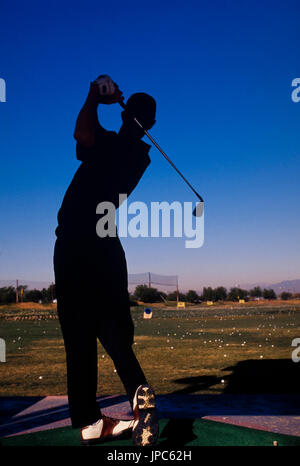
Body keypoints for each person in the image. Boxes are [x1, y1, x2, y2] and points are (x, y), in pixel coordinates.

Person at [53, 75, 158, 446]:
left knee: (78, 335)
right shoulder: (137, 156)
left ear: (127, 114)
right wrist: (113, 103)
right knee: (112, 334)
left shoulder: (112, 146)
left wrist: (94, 97)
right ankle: (127, 403)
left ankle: (91, 417)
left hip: (75, 247)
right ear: (152, 125)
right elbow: (89, 135)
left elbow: (82, 131)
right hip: (106, 248)